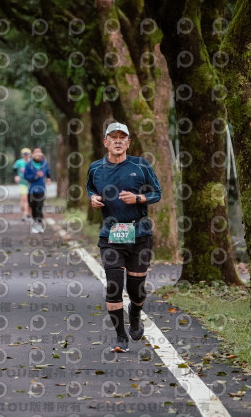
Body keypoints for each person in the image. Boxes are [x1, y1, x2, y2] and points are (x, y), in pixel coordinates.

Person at [86, 122, 161, 353]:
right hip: (111, 235)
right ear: (105, 141)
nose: (118, 141)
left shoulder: (141, 165)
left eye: (122, 137)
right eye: (113, 137)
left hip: (139, 234)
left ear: (128, 142)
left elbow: (156, 193)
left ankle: (136, 313)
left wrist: (138, 199)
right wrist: (93, 199)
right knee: (113, 286)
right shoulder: (96, 168)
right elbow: (91, 189)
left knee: (136, 288)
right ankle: (120, 337)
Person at [23, 147, 51, 234]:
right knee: (33, 207)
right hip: (31, 190)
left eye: (40, 153)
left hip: (41, 190)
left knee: (39, 207)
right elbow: (26, 176)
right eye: (36, 153)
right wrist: (36, 175)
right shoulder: (29, 165)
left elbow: (48, 172)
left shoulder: (44, 164)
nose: (38, 155)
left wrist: (48, 179)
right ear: (33, 154)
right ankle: (35, 222)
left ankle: (38, 224)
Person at [13, 148, 32, 222]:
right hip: (22, 183)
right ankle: (24, 213)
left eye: (27, 154)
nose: (26, 155)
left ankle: (27, 213)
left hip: (31, 183)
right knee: (24, 198)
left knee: (29, 199)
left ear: (30, 154)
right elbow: (14, 169)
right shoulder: (19, 162)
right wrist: (16, 176)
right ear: (22, 155)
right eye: (24, 154)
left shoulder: (32, 162)